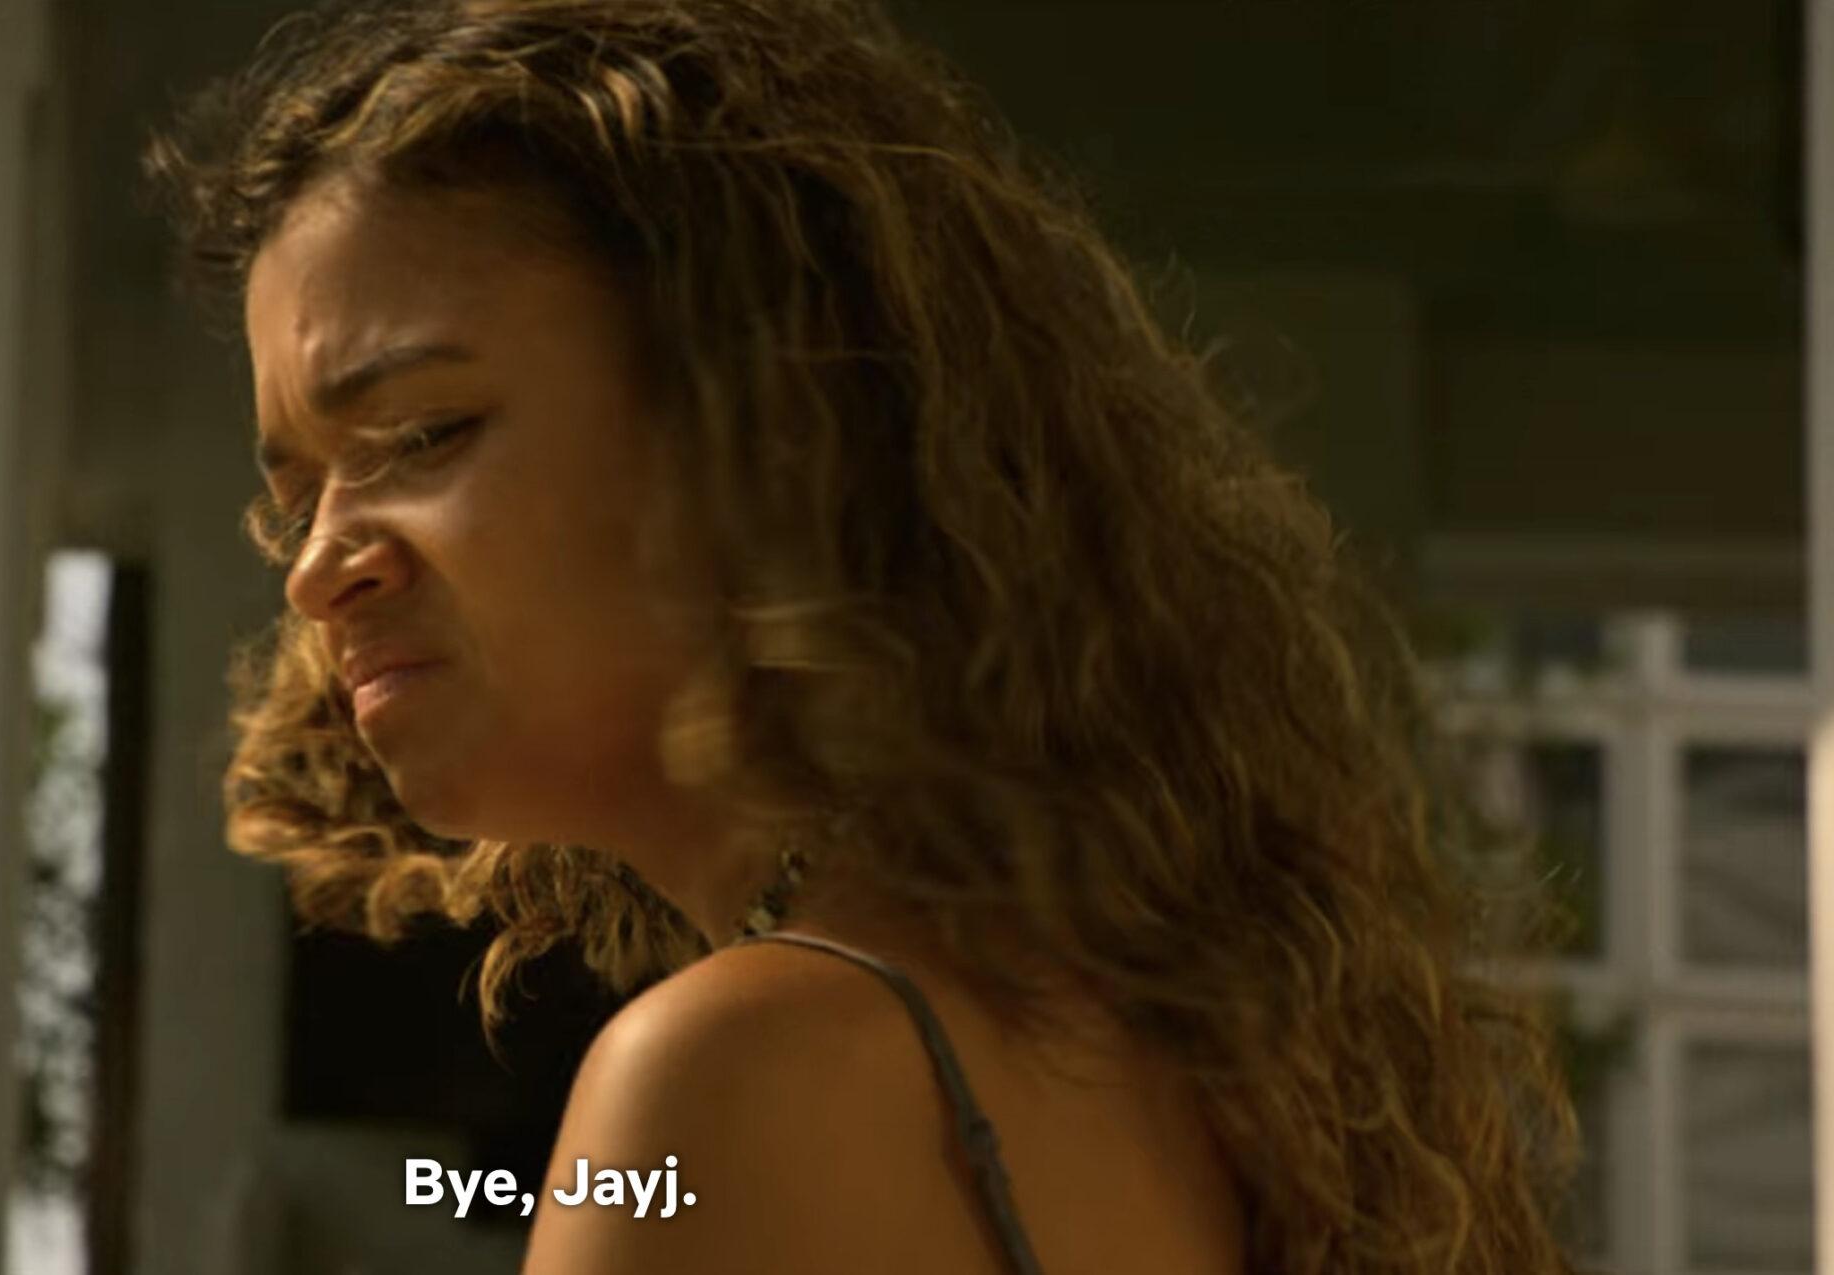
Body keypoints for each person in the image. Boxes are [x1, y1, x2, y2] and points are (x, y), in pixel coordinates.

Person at [149, 0, 1582, 1270]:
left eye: (423, 433)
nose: (318, 570)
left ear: (767, 423)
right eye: (297, 500)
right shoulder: (1179, 1049)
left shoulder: (732, 1075)